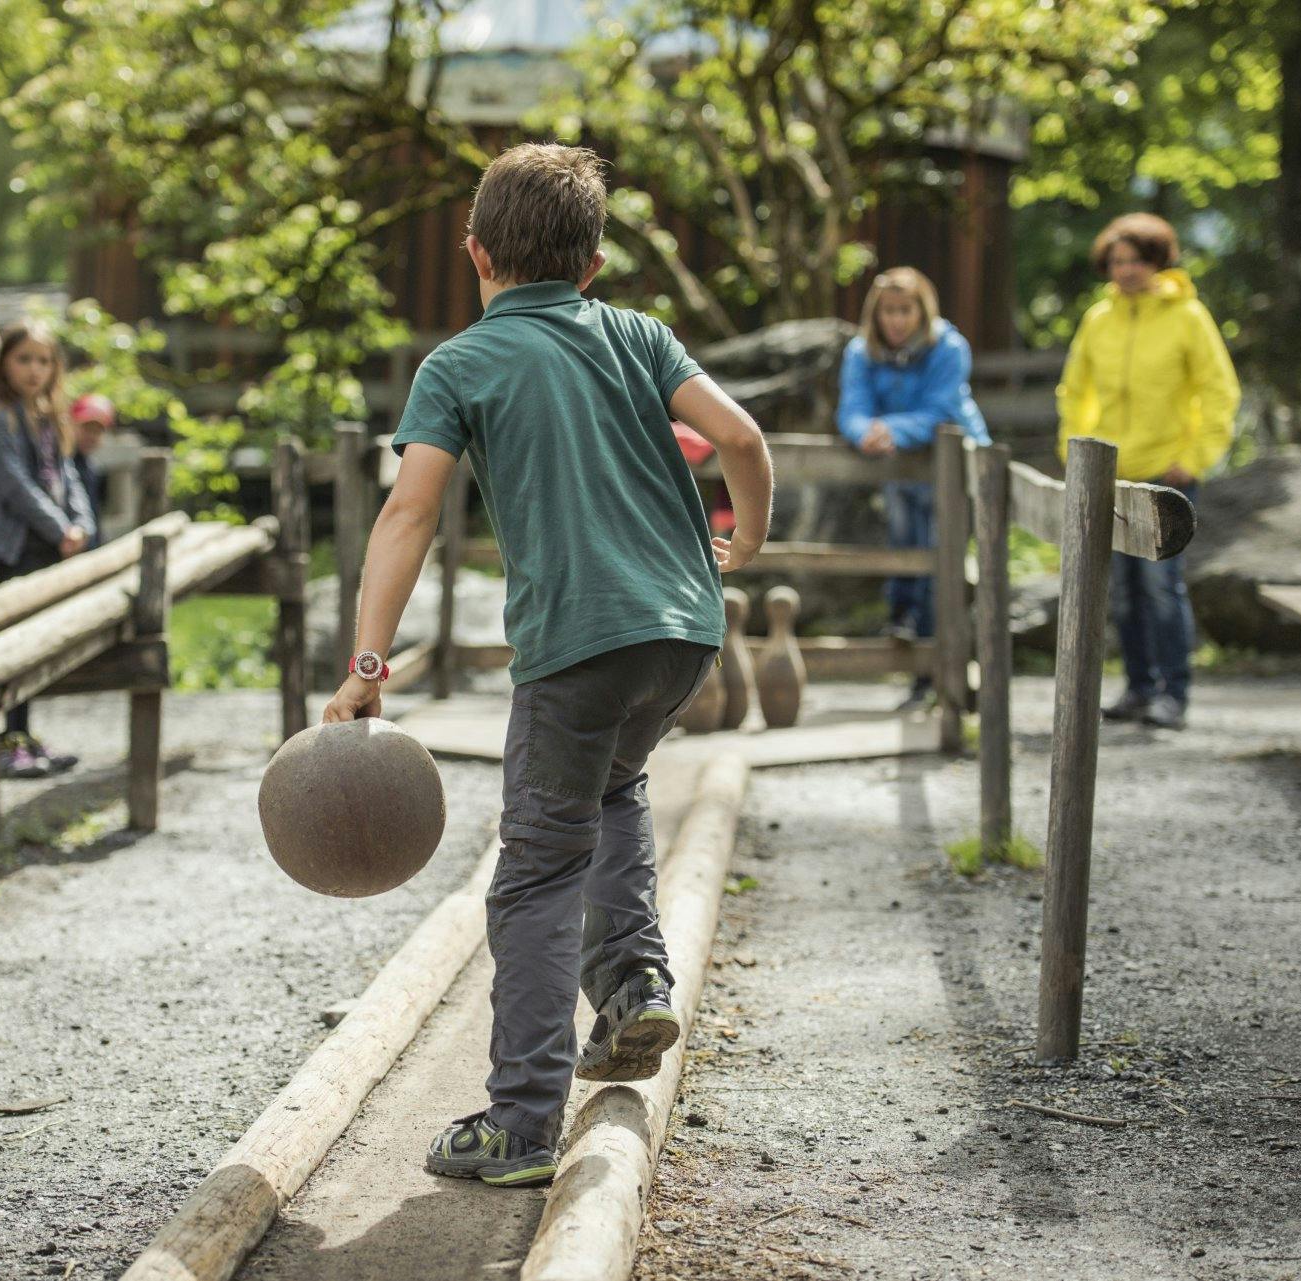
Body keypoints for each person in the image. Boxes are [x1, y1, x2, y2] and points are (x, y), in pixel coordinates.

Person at [321, 144, 773, 1189]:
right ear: (594, 265)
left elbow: (409, 514)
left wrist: (367, 662)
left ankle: (520, 1122)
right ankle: (634, 988)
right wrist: (744, 541)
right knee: (612, 788)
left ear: (475, 252)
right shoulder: (640, 335)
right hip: (683, 634)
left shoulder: (461, 364)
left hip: (576, 648)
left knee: (533, 874)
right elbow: (743, 439)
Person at [1058, 213, 1239, 731]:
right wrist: (1075, 452)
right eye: (1117, 261)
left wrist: (1195, 458)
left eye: (1137, 260)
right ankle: (1138, 688)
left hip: (1168, 475)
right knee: (1122, 591)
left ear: (1158, 262)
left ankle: (1173, 694)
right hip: (1110, 475)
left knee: (1161, 586)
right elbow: (1074, 390)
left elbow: (1220, 391)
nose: (1127, 270)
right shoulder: (1098, 319)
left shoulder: (1189, 317)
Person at [836, 267, 991, 709]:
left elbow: (942, 408)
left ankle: (950, 676)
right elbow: (852, 406)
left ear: (922, 311)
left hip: (950, 468)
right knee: (906, 551)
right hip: (900, 467)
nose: (897, 320)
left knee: (945, 564)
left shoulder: (949, 347)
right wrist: (864, 432)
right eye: (889, 311)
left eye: (905, 310)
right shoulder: (861, 351)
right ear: (876, 313)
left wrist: (891, 430)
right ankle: (915, 663)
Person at [0, 321, 98, 778]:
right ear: (5, 364)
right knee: (13, 642)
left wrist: (82, 523)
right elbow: (14, 484)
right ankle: (7, 740)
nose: (33, 370)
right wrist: (59, 527)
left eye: (43, 361)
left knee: (37, 643)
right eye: (23, 359)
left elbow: (68, 476)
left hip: (47, 543)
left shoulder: (49, 415)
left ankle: (25, 734)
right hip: (17, 546)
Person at [68, 392, 116, 542]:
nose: (92, 436)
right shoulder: (64, 463)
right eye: (87, 428)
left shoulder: (90, 467)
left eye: (98, 431)